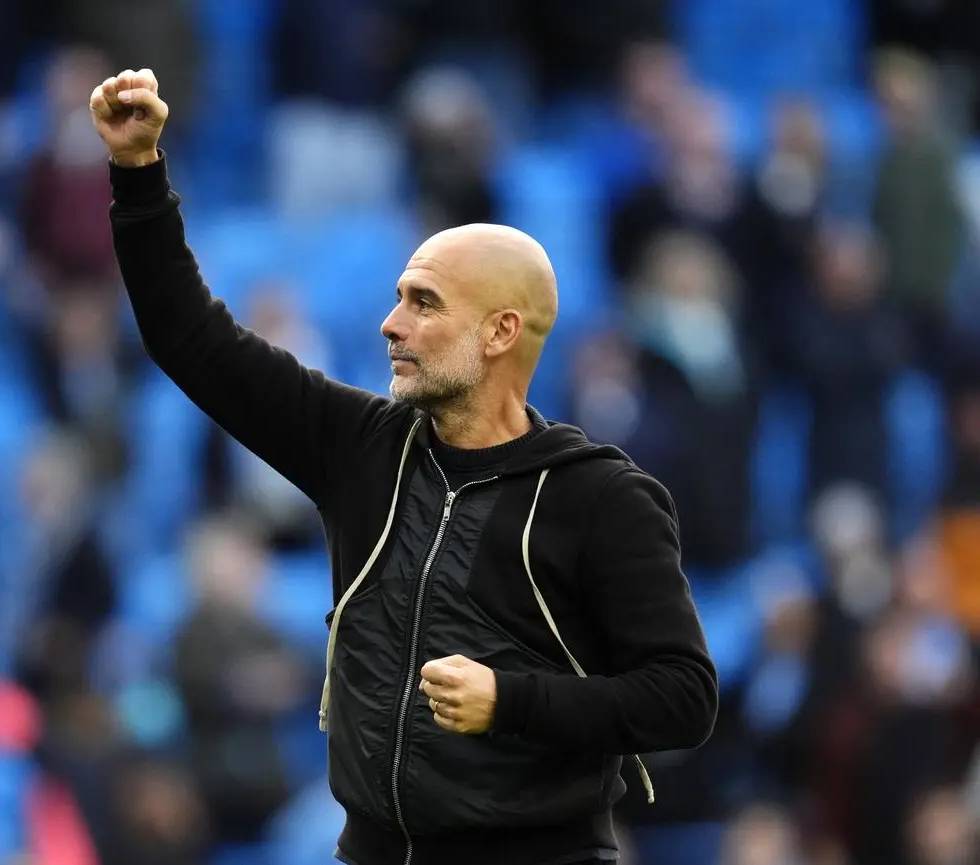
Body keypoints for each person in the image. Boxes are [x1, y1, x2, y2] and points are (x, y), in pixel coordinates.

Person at [89, 68, 718, 865]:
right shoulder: (359, 446)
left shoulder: (600, 496)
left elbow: (683, 698)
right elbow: (188, 338)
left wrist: (510, 701)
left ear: (498, 332)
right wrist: (139, 172)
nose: (390, 325)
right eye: (397, 297)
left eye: (424, 303)